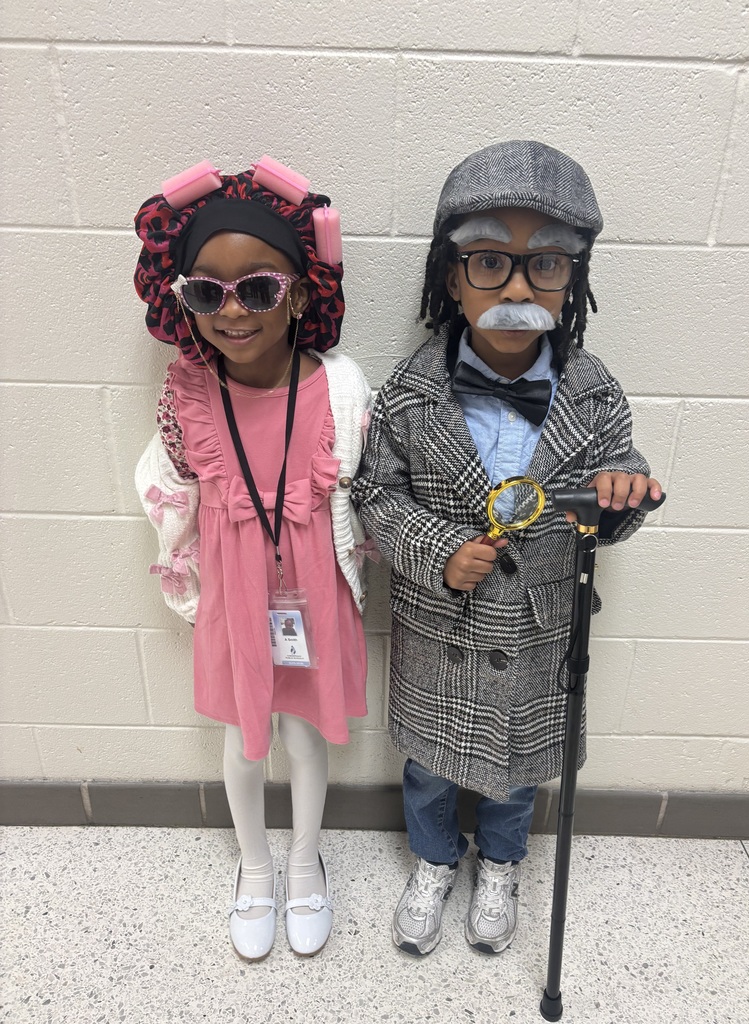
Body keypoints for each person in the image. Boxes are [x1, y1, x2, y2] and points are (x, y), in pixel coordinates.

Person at [353, 140, 663, 958]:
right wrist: (437, 548)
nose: (519, 288)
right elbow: (374, 494)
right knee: (429, 764)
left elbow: (616, 481)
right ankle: (433, 860)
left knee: (519, 768)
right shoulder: (409, 393)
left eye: (546, 264)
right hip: (442, 626)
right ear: (451, 276)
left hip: (539, 628)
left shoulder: (594, 393)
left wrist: (624, 493)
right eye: (491, 261)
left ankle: (500, 863)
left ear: (572, 280)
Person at [134, 160, 372, 961]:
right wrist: (188, 585)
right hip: (236, 595)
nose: (233, 311)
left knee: (304, 736)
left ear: (300, 294)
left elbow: (364, 492)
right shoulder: (187, 398)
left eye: (259, 289)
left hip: (311, 596)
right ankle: (256, 866)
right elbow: (171, 490)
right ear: (184, 303)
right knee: (244, 739)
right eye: (208, 293)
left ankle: (305, 861)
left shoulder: (342, 391)